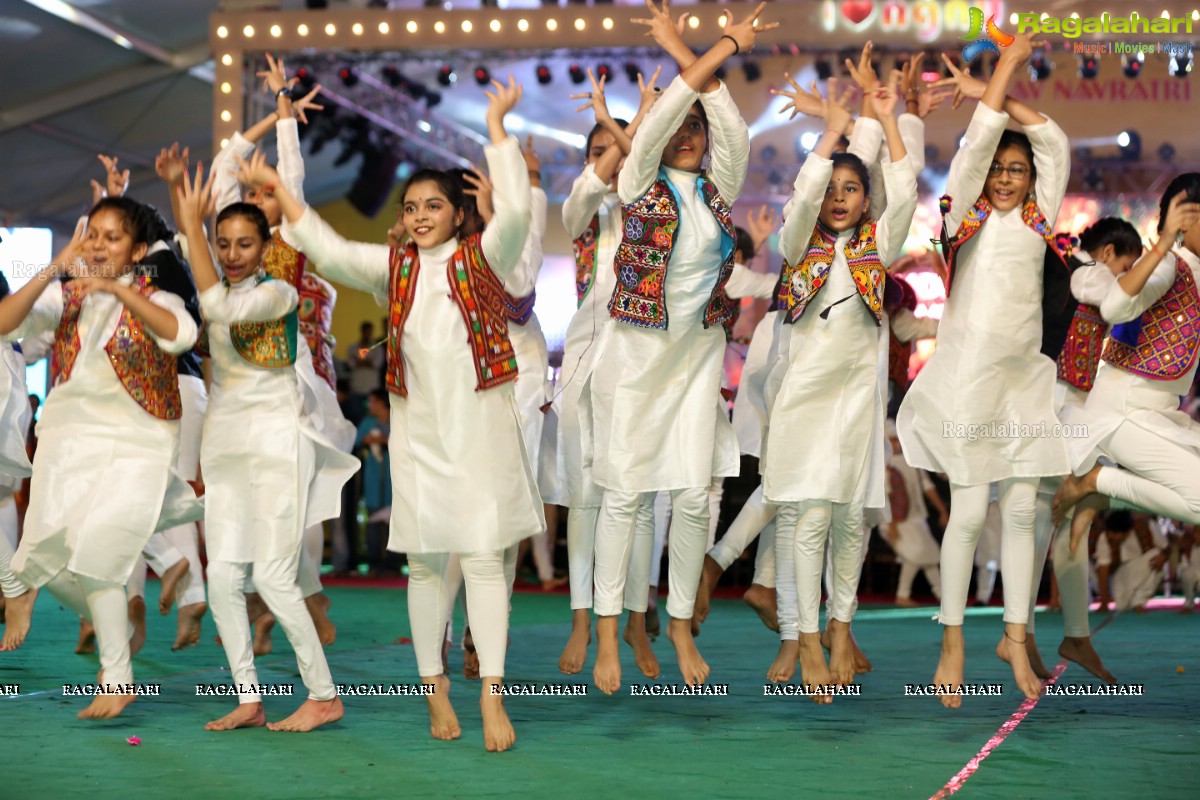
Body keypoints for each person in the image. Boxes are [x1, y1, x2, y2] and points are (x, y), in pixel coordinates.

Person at [273, 77, 539, 752]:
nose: (420, 214)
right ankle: (434, 689)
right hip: (420, 435)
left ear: (457, 213)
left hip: (480, 429)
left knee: (482, 559)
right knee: (425, 567)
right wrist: (283, 168)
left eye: (434, 205)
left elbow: (512, 220)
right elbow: (325, 249)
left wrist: (499, 133)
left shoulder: (484, 259)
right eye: (412, 205)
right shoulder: (393, 268)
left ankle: (492, 695)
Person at [589, 1, 774, 695]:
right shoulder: (639, 184)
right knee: (626, 496)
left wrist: (703, 61)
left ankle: (676, 624)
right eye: (681, 127)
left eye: (697, 127)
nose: (690, 135)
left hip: (696, 356)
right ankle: (610, 630)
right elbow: (663, 118)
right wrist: (706, 46)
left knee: (698, 494)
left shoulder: (719, 196)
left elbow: (736, 133)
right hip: (636, 359)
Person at [897, 33, 1068, 706]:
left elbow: (1051, 138)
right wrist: (992, 80)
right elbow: (972, 152)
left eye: (1016, 171)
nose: (1005, 176)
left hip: (1025, 381)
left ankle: (1016, 637)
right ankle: (953, 638)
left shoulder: (1039, 219)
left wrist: (996, 88)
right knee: (968, 515)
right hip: (967, 381)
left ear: (1030, 181)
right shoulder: (960, 220)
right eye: (1000, 168)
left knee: (1023, 512)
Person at [0, 197, 201, 718]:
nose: (99, 245)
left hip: (138, 442)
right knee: (81, 564)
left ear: (137, 250)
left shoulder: (159, 296)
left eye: (113, 238)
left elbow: (182, 335)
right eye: (93, 235)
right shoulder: (66, 297)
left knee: (100, 557)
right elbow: (3, 322)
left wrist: (116, 288)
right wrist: (56, 262)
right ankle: (109, 670)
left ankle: (110, 669)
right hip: (70, 440)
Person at [174, 166, 358, 732]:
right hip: (226, 444)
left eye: (243, 244)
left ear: (264, 247)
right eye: (222, 244)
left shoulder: (278, 293)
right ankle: (249, 698)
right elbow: (205, 308)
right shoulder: (220, 287)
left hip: (278, 440)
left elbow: (219, 308)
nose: (231, 254)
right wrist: (191, 230)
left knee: (276, 576)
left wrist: (193, 230)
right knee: (225, 575)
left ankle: (324, 696)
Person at [763, 68, 916, 700]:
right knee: (811, 515)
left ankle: (841, 628)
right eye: (834, 187)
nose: (841, 197)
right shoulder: (797, 242)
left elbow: (903, 199)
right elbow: (799, 203)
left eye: (853, 189)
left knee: (851, 519)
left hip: (858, 401)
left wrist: (889, 120)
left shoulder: (877, 248)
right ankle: (803, 640)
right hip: (804, 398)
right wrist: (828, 139)